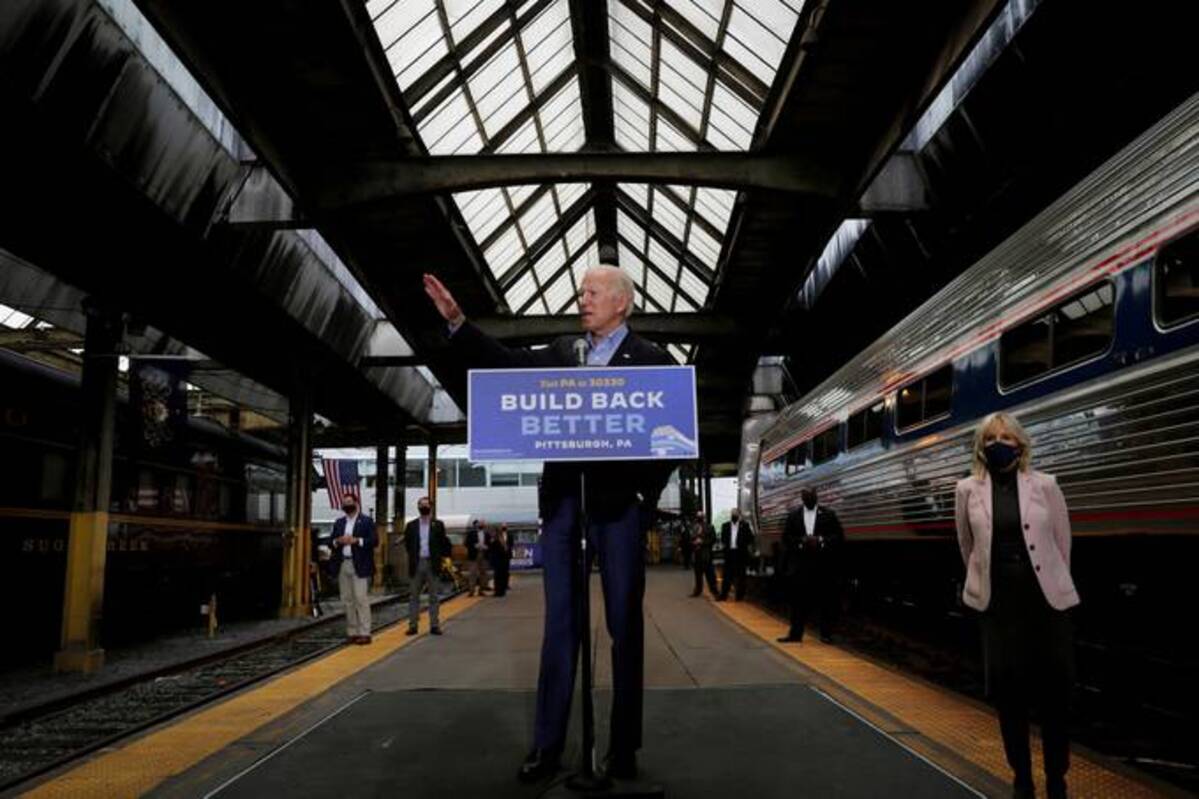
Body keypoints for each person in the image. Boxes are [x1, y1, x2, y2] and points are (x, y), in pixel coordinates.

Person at [424, 267, 678, 783]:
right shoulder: (564, 353)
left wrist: (641, 495)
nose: (581, 299)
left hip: (619, 510)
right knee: (560, 626)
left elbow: (673, 433)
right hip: (565, 506)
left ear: (622, 303)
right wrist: (458, 323)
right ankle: (547, 746)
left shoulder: (653, 361)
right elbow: (505, 364)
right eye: (581, 291)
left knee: (625, 627)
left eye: (592, 292)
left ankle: (623, 748)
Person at [955, 412, 1079, 799]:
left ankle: (1057, 779)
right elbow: (966, 546)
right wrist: (983, 585)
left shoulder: (1046, 485)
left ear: (1021, 443)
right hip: (999, 608)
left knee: (1054, 698)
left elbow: (1063, 543)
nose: (999, 443)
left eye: (1006, 436)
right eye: (991, 437)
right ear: (981, 445)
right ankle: (1021, 779)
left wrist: (1053, 588)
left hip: (1044, 605)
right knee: (1009, 699)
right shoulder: (966, 490)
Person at [778, 486, 843, 643]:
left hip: (822, 565)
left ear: (816, 496)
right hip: (801, 566)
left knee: (825, 601)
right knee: (798, 601)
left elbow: (838, 536)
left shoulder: (828, 515)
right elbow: (786, 538)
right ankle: (795, 634)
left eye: (811, 496)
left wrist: (820, 541)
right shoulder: (793, 516)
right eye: (806, 496)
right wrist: (801, 542)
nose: (809, 499)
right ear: (802, 498)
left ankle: (826, 635)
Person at [329, 496, 376, 644]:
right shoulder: (339, 523)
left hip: (360, 565)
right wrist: (338, 541)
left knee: (361, 599)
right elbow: (331, 541)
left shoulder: (367, 521)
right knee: (347, 600)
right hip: (343, 564)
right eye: (345, 503)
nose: (347, 505)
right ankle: (352, 631)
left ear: (356, 504)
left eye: (350, 502)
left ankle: (365, 632)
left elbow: (374, 541)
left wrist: (357, 540)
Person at [404, 496, 451, 636]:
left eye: (426, 505)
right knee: (413, 596)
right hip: (417, 563)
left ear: (430, 507)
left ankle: (434, 625)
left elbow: (443, 543)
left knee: (434, 597)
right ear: (418, 507)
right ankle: (413, 626)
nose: (423, 507)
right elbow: (408, 545)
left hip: (433, 563)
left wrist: (442, 559)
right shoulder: (411, 526)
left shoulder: (438, 525)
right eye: (421, 505)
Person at [719, 509, 755, 601]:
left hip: (740, 554)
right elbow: (723, 538)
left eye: (735, 514)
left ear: (739, 515)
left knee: (741, 576)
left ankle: (740, 597)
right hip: (729, 553)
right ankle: (723, 595)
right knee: (727, 575)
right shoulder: (725, 526)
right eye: (732, 514)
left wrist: (743, 544)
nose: (734, 516)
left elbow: (751, 538)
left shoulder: (745, 526)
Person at [689, 511, 719, 598]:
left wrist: (702, 542)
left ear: (704, 517)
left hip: (706, 555)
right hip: (697, 555)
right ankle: (697, 591)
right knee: (698, 575)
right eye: (698, 516)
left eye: (700, 516)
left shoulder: (709, 527)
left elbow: (713, 539)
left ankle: (715, 592)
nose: (699, 518)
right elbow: (690, 539)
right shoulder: (694, 527)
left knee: (710, 575)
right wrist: (693, 542)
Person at [465, 519, 491, 597]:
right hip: (473, 555)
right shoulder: (471, 534)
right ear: (477, 525)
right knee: (473, 573)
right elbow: (466, 543)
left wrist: (486, 547)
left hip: (484, 555)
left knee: (483, 573)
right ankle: (471, 591)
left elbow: (490, 544)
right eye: (480, 524)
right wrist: (474, 546)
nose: (481, 525)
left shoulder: (487, 534)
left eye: (483, 524)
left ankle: (481, 590)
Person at [490, 523, 512, 597]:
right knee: (501, 576)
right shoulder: (501, 540)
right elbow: (505, 550)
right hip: (502, 560)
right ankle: (501, 591)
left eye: (492, 532)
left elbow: (494, 551)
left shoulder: (495, 540)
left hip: (498, 561)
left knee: (498, 577)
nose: (491, 533)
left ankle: (498, 592)